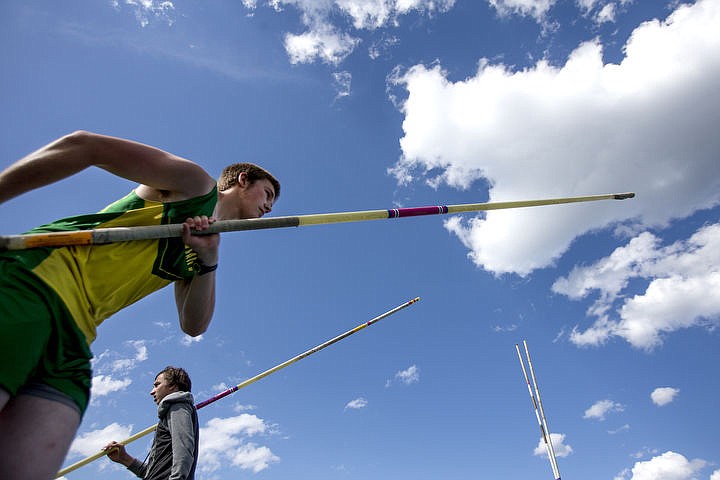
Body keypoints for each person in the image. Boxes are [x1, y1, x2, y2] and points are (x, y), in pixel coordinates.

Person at [0, 131, 280, 479]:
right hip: (39, 283)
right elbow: (86, 146)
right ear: (242, 180)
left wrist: (209, 259)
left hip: (77, 334)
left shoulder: (203, 244)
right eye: (267, 194)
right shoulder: (194, 185)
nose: (270, 206)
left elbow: (193, 325)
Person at [104, 366, 199, 480]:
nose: (152, 391)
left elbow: (184, 448)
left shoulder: (177, 406)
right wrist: (124, 458)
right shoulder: (171, 412)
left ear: (173, 385)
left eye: (157, 385)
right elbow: (153, 474)